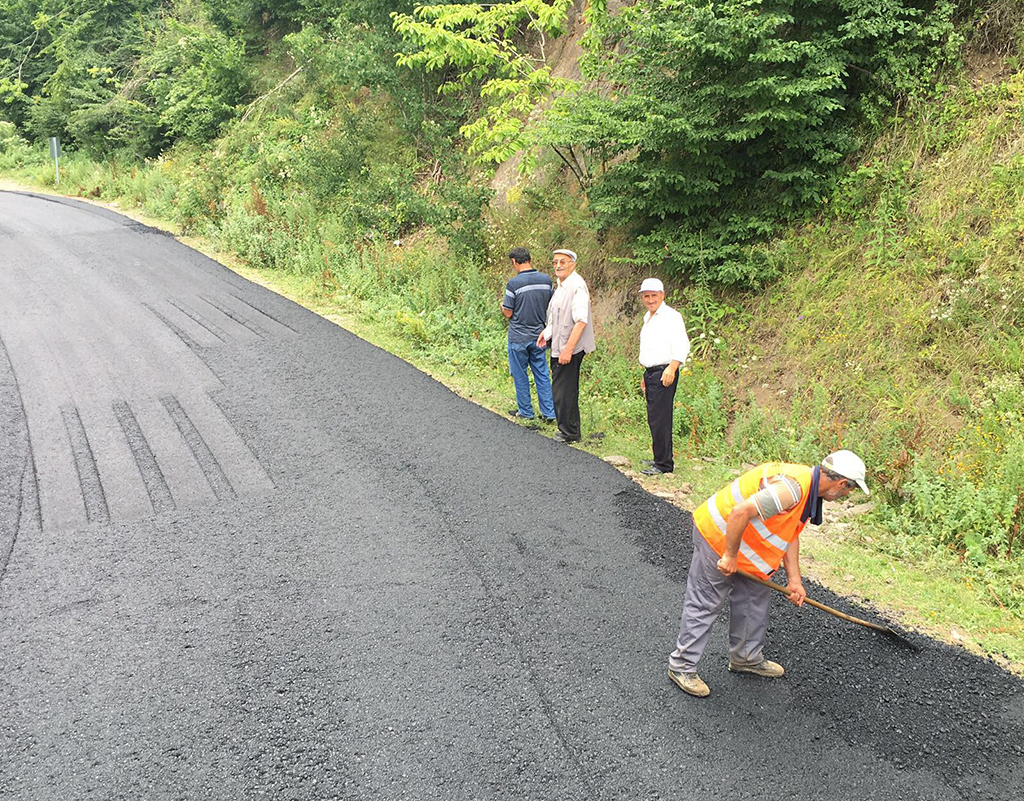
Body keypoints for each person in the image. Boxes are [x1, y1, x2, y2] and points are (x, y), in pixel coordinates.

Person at [668, 450, 870, 698]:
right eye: (849, 490)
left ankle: (746, 658)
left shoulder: (810, 492)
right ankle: (682, 667)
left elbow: (789, 534)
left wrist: (794, 581)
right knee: (705, 603)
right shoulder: (792, 489)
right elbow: (740, 512)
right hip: (719, 537)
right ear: (841, 484)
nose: (846, 494)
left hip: (746, 550)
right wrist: (730, 556)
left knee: (754, 599)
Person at [537, 249, 595, 443]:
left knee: (564, 390)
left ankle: (569, 432)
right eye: (555, 262)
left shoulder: (577, 286)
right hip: (559, 344)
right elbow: (557, 318)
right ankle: (568, 429)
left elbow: (581, 321)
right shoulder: (561, 286)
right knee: (562, 388)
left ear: (573, 264)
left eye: (563, 261)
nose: (558, 265)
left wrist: (568, 350)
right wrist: (546, 333)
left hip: (570, 347)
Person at [637, 278, 690, 475]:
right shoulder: (648, 316)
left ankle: (664, 465)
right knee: (654, 417)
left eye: (654, 296)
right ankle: (659, 457)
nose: (650, 300)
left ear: (662, 295)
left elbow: (681, 344)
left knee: (661, 418)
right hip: (652, 372)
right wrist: (646, 373)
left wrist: (672, 368)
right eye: (646, 296)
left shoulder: (671, 316)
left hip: (665, 372)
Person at [502, 247, 556, 422]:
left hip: (518, 337)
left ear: (514, 262)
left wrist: (502, 308)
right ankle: (549, 413)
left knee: (520, 375)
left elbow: (508, 312)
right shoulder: (546, 280)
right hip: (539, 335)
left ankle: (526, 411)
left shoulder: (513, 284)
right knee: (542, 374)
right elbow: (552, 306)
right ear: (529, 259)